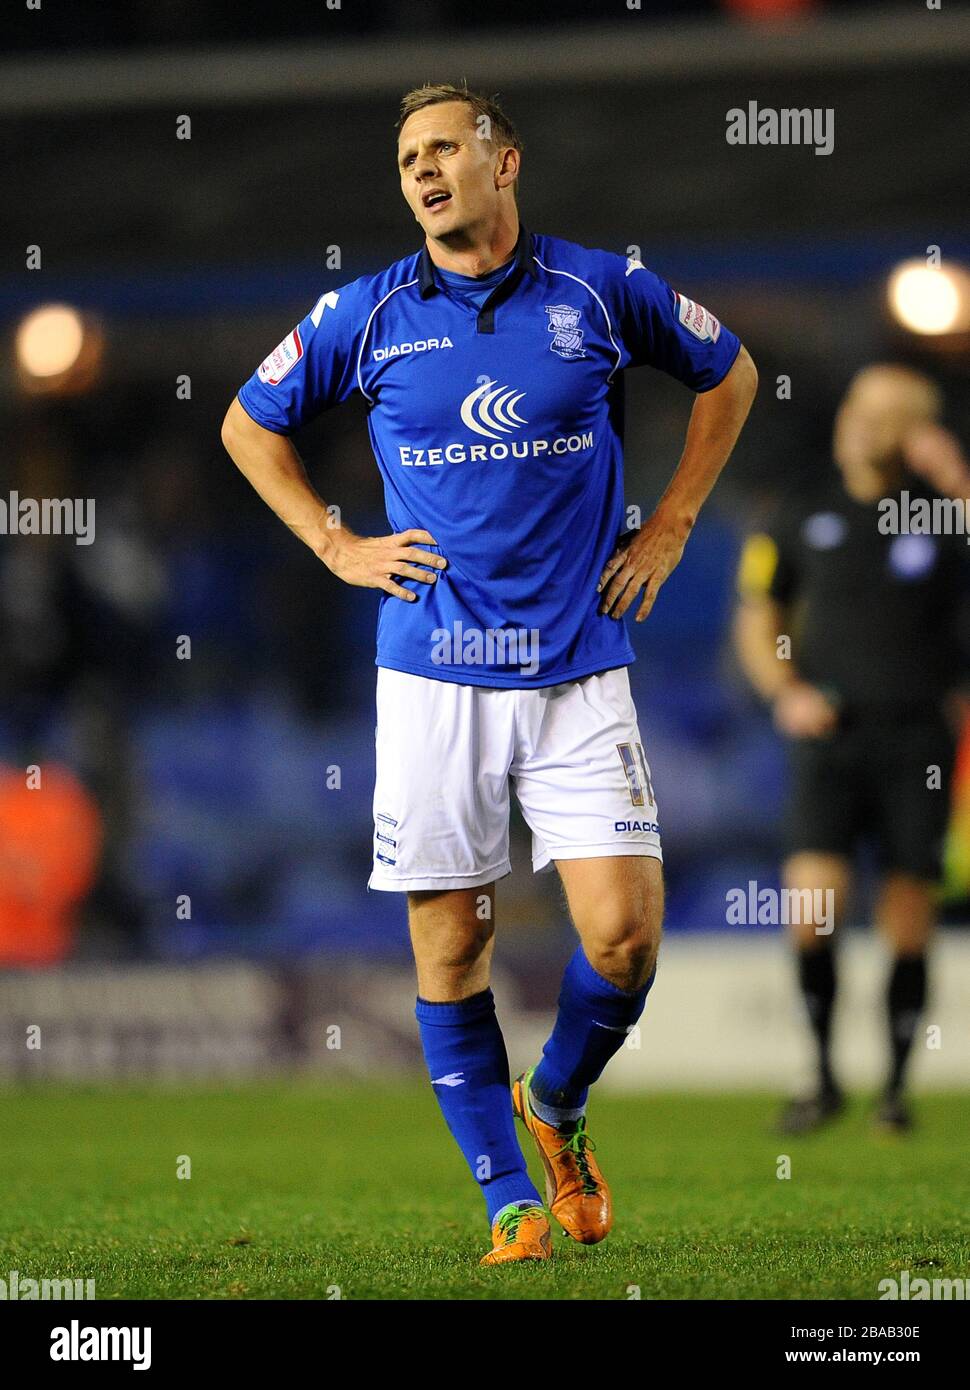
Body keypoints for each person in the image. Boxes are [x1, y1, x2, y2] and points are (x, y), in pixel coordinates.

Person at [222, 83, 757, 1263]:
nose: (421, 169)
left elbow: (730, 374)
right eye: (406, 156)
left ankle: (553, 1103)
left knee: (623, 940)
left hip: (575, 664)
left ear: (502, 161)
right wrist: (335, 543)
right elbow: (247, 425)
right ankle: (509, 1199)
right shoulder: (363, 314)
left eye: (443, 148)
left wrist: (668, 522)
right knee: (450, 946)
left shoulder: (598, 289)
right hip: (433, 675)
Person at [734, 364, 970, 1135]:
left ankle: (896, 1091)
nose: (866, 424)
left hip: (917, 736)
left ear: (918, 431)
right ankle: (823, 1079)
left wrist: (959, 483)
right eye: (860, 409)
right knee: (812, 908)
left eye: (890, 414)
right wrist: (784, 690)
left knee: (907, 916)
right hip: (829, 736)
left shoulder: (941, 515)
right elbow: (759, 611)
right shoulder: (800, 510)